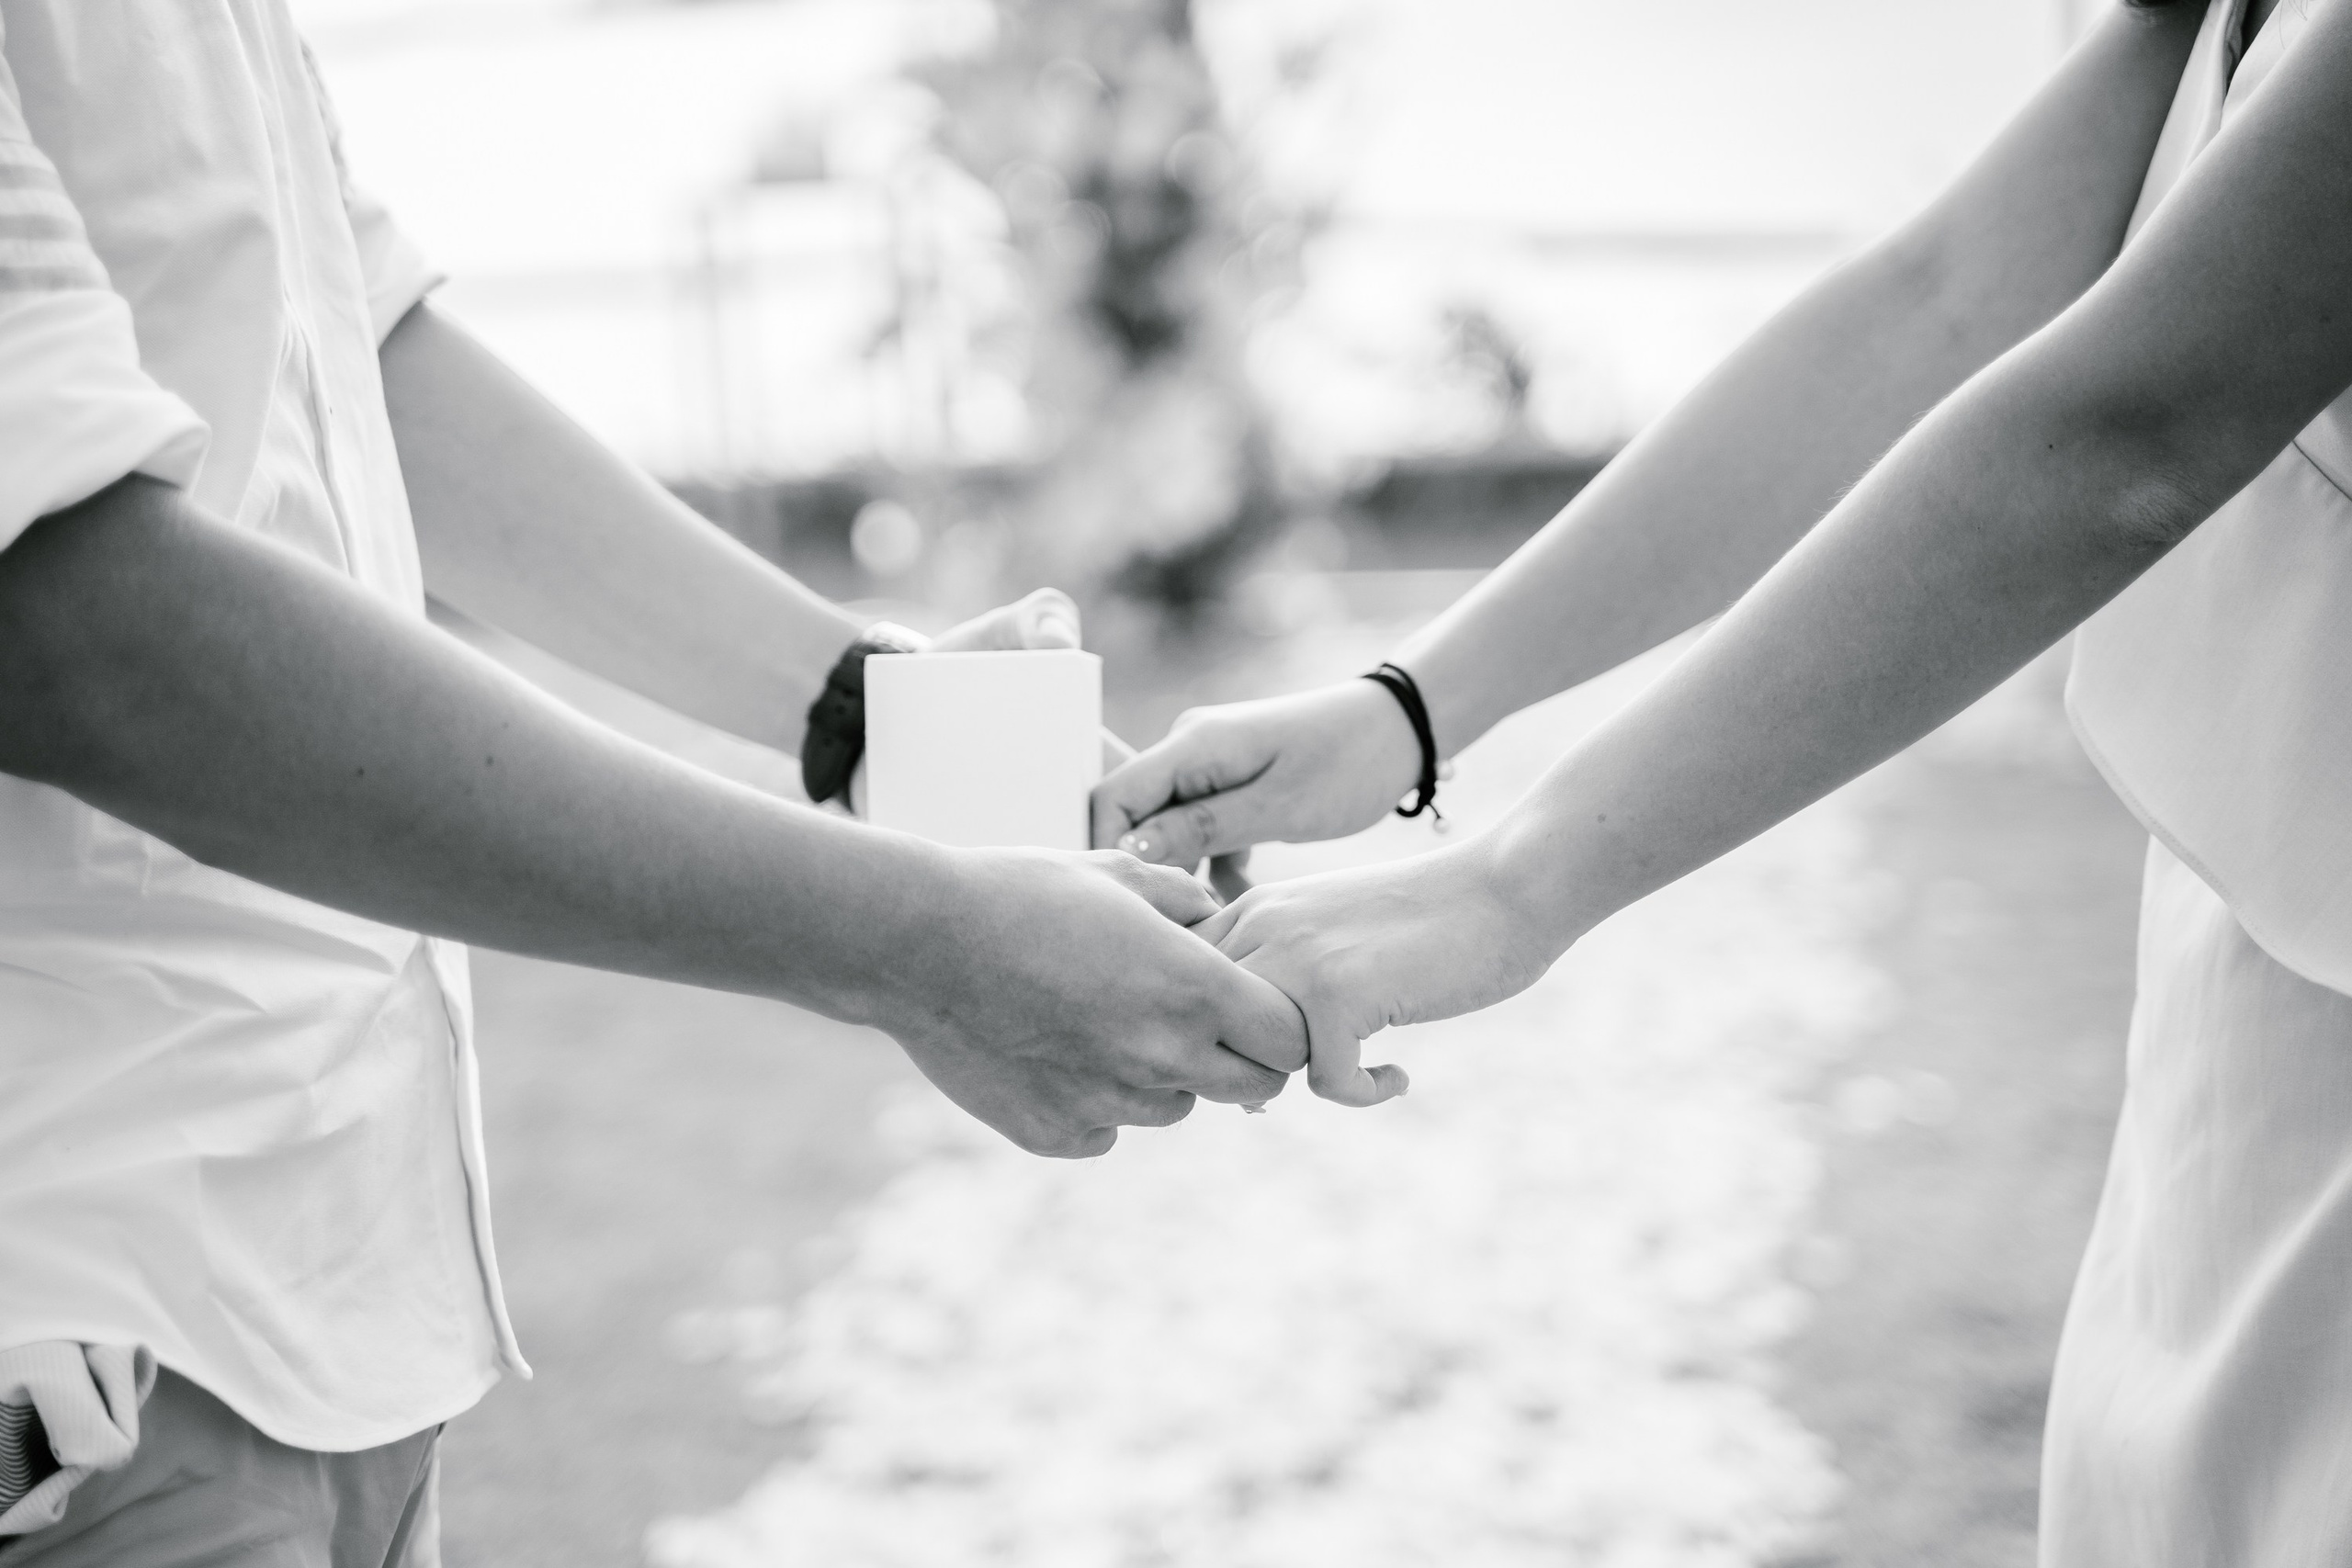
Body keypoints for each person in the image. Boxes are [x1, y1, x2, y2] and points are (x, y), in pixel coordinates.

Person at [0, 3, 1304, 1562]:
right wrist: (919, 941)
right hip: (76, 1342)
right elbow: (70, 619)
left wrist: (858, 708)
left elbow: (341, 331)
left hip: (337, 1318)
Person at [1097, 0, 2352, 1561]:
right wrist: (1408, 709)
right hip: (2228, 1004)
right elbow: (1943, 308)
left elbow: (2122, 434)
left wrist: (1511, 885)